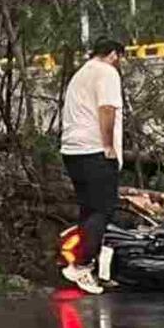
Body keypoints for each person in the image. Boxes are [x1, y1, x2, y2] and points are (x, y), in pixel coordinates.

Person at [60, 37, 126, 295]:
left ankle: (89, 264)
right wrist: (108, 145)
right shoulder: (107, 72)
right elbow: (107, 109)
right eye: (120, 57)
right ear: (113, 54)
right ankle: (81, 265)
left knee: (88, 210)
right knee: (104, 210)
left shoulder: (80, 74)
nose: (120, 63)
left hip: (73, 151)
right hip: (95, 150)